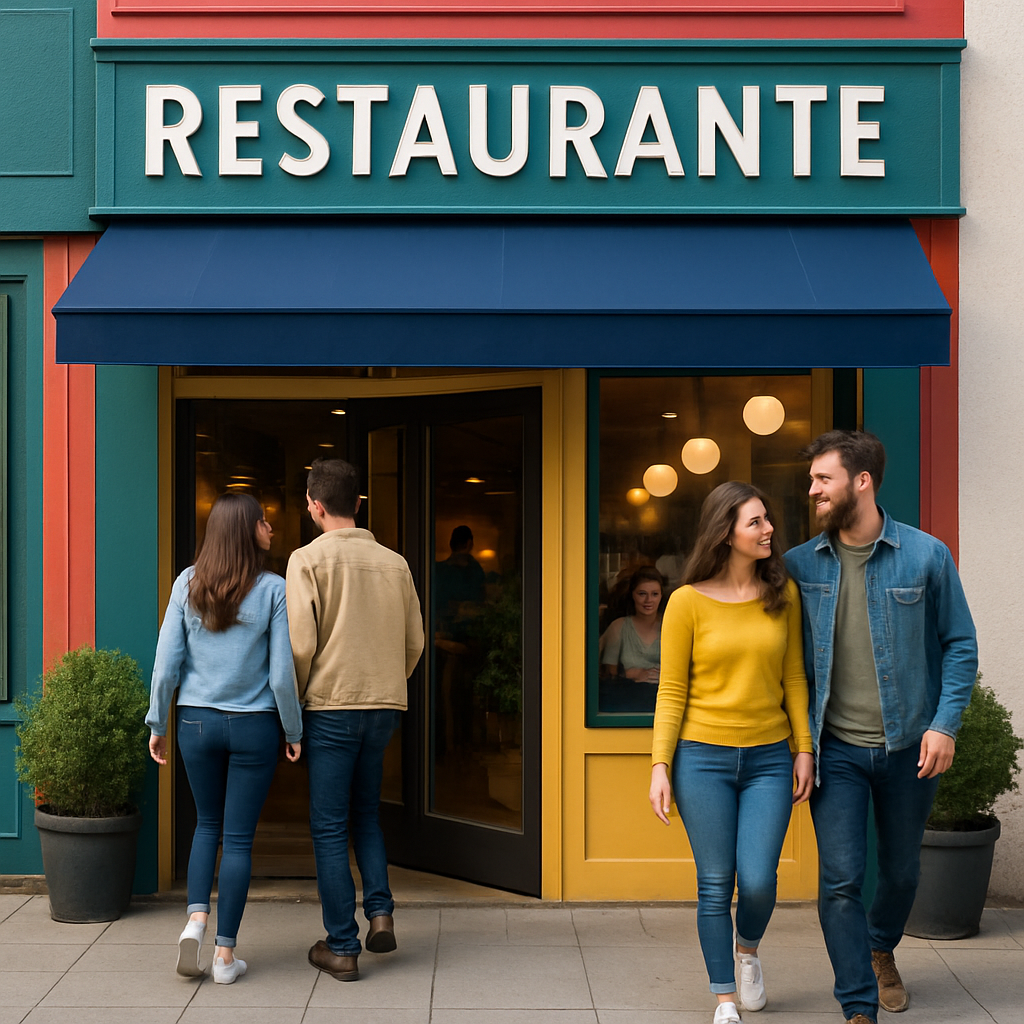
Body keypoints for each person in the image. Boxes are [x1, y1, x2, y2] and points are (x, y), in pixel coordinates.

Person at [784, 430, 977, 1024]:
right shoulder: (796, 565)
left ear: (861, 481)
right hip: (835, 749)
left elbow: (960, 645)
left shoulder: (926, 555)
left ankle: (880, 948)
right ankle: (857, 1003)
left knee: (900, 871)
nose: (812, 489)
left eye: (824, 478)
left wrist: (944, 726)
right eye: (813, 479)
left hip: (909, 748)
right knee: (840, 879)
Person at [649, 481, 814, 1024]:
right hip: (702, 758)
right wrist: (660, 765)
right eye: (756, 522)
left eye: (767, 519)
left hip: (769, 757)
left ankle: (748, 950)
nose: (769, 530)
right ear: (726, 532)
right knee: (716, 882)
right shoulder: (686, 602)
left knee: (761, 878)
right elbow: (671, 690)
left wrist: (803, 749)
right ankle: (724, 997)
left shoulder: (781, 595)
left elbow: (793, 678)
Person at [147, 492, 302, 984]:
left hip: (195, 723)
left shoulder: (186, 584)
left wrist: (158, 724)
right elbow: (281, 676)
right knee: (237, 839)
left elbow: (166, 665)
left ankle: (195, 921)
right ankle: (224, 957)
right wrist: (293, 729)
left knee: (206, 826)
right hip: (254, 725)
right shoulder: (274, 589)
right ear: (247, 531)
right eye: (264, 522)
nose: (271, 529)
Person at [286, 458, 424, 983]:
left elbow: (301, 646)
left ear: (314, 506)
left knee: (328, 827)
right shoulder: (396, 563)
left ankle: (342, 946)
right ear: (359, 503)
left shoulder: (306, 560)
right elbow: (416, 642)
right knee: (367, 813)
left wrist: (291, 709)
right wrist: (387, 682)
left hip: (329, 707)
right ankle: (381, 912)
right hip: (383, 705)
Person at [600, 566, 665, 683]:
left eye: (655, 594)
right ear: (632, 595)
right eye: (642, 594)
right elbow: (608, 673)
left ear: (661, 596)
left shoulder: (670, 626)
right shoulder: (619, 627)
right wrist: (630, 674)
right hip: (627, 695)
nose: (648, 600)